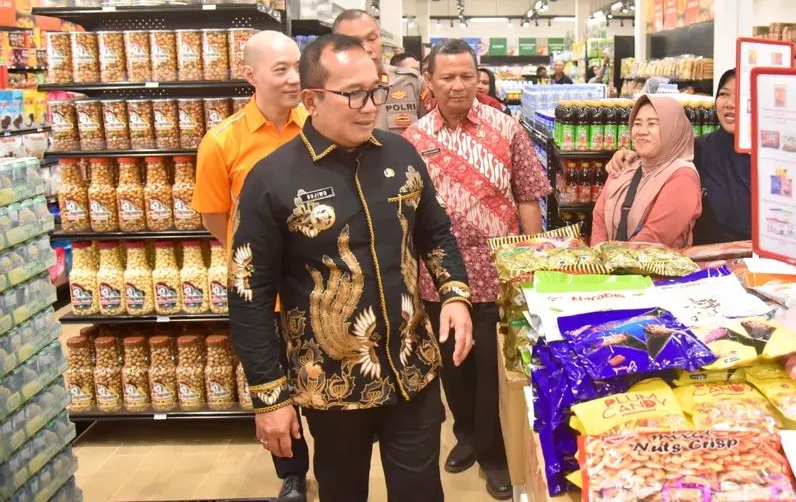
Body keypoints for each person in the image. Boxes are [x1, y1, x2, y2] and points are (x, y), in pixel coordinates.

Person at [228, 34, 474, 502]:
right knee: (342, 491)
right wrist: (269, 396)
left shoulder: (400, 153)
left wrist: (455, 295)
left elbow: (435, 233)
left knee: (422, 493)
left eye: (376, 89)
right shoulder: (272, 180)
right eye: (354, 94)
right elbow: (248, 295)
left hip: (412, 367)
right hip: (332, 384)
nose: (370, 105)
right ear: (312, 99)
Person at [403, 39, 551, 500]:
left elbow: (529, 196)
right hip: (440, 275)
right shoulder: (412, 140)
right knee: (453, 364)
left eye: (466, 75)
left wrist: (526, 264)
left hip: (497, 270)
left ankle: (494, 453)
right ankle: (466, 433)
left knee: (492, 366)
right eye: (447, 76)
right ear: (429, 81)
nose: (458, 85)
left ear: (478, 77)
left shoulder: (507, 129)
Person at [191, 30, 310, 502]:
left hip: (316, 285)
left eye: (297, 67)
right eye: (280, 69)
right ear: (250, 76)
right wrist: (258, 263)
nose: (293, 78)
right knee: (274, 378)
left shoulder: (319, 128)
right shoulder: (222, 142)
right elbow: (214, 214)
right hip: (261, 295)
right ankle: (293, 473)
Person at [608, 70, 749, 243]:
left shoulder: (773, 158)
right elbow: (657, 160)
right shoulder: (698, 149)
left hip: (764, 264)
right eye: (723, 94)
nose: (729, 103)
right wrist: (630, 155)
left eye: (740, 96)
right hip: (704, 262)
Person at [591, 95, 702, 248]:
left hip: (652, 270)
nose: (642, 131)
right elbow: (599, 219)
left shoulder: (683, 178)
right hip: (609, 268)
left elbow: (653, 238)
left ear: (672, 129)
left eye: (652, 124)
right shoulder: (626, 166)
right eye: (637, 123)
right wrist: (597, 262)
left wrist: (610, 264)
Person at [333, 9, 422, 134]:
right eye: (354, 43)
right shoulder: (329, 90)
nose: (366, 49)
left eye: (372, 38)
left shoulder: (411, 82)